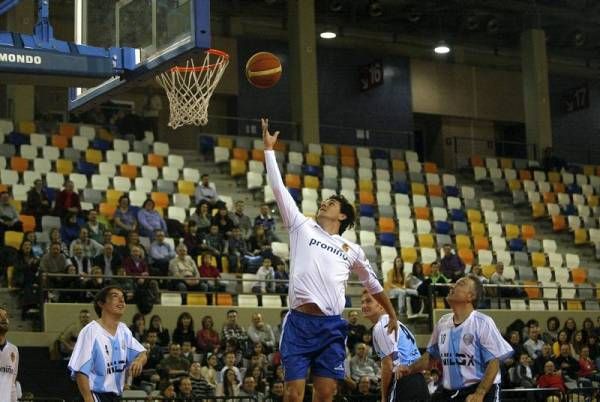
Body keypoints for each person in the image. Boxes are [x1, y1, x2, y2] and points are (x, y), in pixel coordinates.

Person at [262, 118, 398, 402]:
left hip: (331, 326)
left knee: (326, 394)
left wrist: (392, 313)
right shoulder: (301, 225)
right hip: (300, 323)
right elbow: (278, 189)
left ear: (343, 216)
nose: (324, 203)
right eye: (324, 201)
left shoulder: (352, 249)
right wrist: (268, 151)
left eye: (332, 203)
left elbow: (372, 284)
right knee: (293, 394)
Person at [396, 275, 513, 402]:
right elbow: (430, 357)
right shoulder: (442, 322)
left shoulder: (483, 322)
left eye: (460, 284)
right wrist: (409, 369)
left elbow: (494, 362)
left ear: (471, 296)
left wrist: (480, 393)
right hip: (452, 392)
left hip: (483, 389)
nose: (452, 286)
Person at [68, 286, 147, 401]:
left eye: (123, 297)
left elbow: (143, 353)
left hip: (115, 396)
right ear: (101, 304)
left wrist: (138, 361)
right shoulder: (90, 331)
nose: (121, 300)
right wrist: (88, 399)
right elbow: (80, 371)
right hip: (95, 395)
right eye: (115, 296)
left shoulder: (123, 330)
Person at [361, 290, 426, 402]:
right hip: (420, 382)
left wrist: (384, 397)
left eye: (368, 301)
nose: (363, 305)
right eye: (362, 302)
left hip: (403, 381)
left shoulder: (381, 326)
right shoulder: (399, 324)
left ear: (381, 305)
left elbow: (388, 364)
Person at [0, 307, 18, 402]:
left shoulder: (14, 350)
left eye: (6, 316)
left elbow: (12, 383)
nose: (4, 319)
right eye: (0, 316)